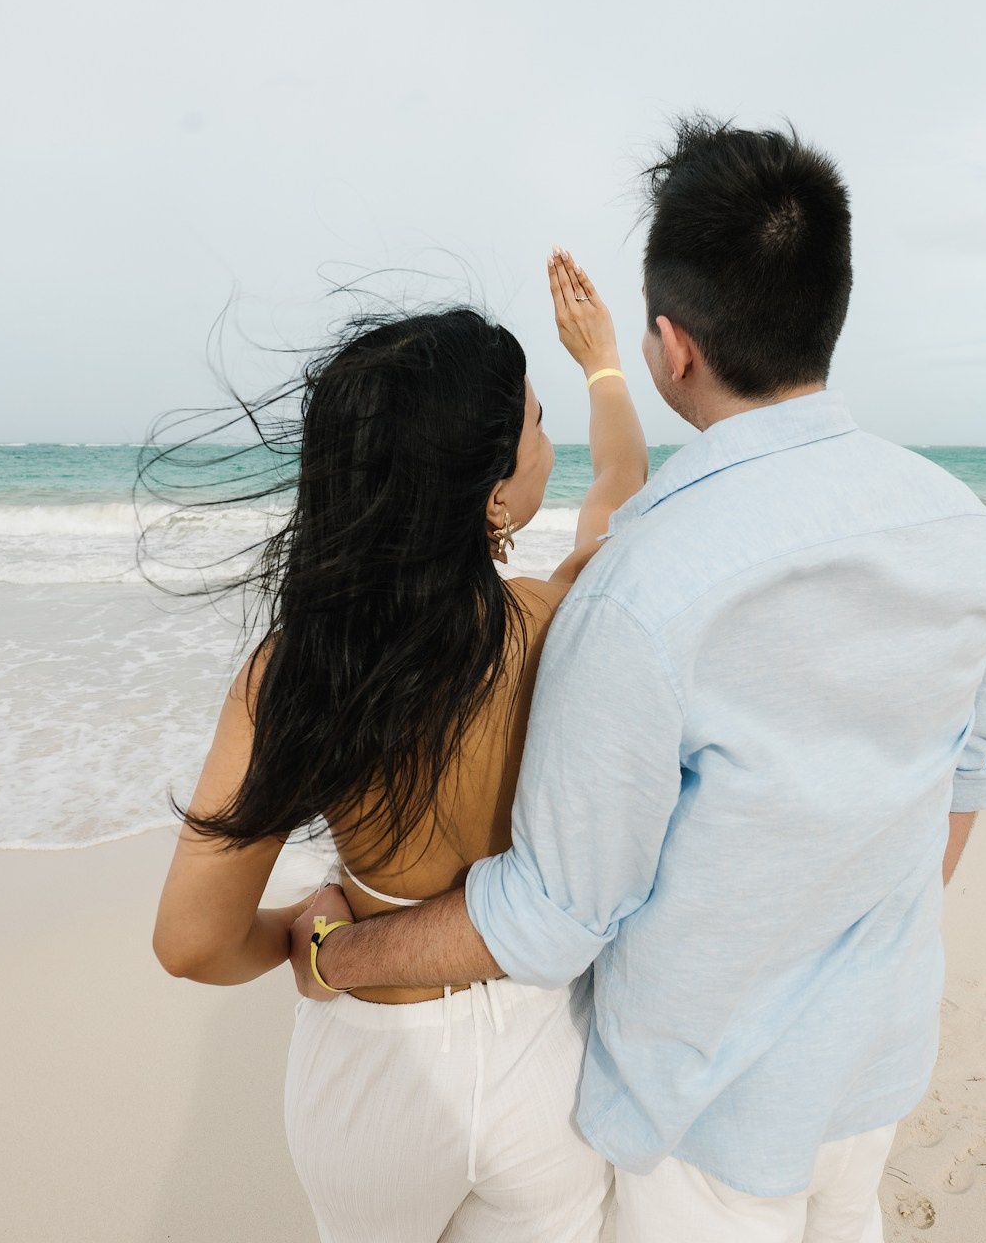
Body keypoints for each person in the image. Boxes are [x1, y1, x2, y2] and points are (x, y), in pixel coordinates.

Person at [291, 117, 986, 1243]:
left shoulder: (644, 586)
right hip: (872, 1065)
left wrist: (345, 951)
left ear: (673, 345)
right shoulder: (963, 529)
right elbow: (965, 779)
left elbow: (556, 914)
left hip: (706, 1115)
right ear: (831, 306)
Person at [151, 249, 648, 1241]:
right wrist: (601, 365)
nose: (548, 438)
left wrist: (311, 936)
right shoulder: (562, 620)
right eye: (536, 424)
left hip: (374, 1069)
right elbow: (622, 482)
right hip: (539, 1053)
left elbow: (191, 940)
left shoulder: (301, 669)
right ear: (492, 489)